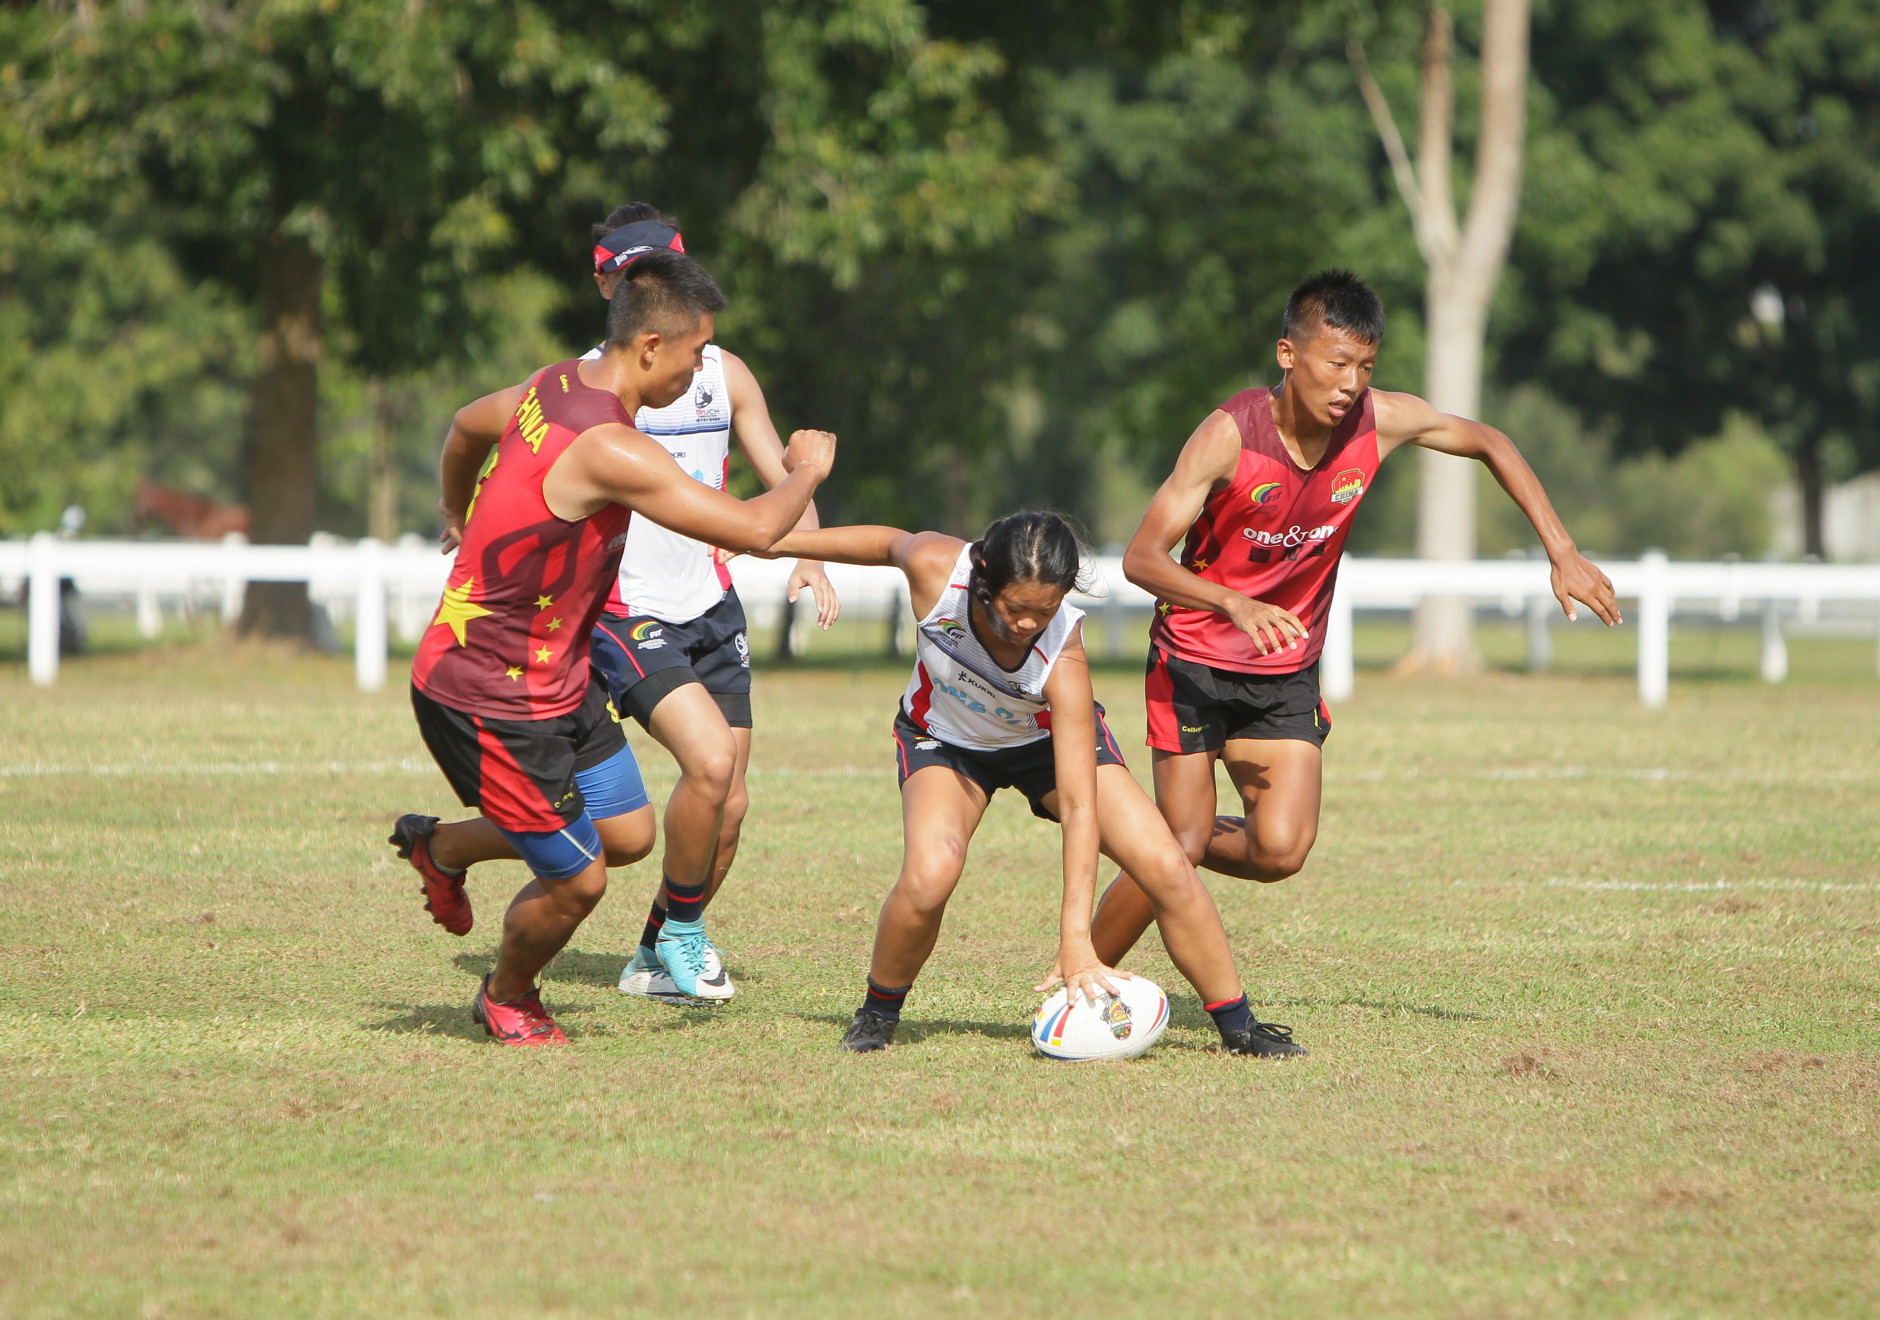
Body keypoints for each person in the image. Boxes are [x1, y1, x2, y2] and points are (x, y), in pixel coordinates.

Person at [1087, 269, 1620, 966]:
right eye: (1337, 363)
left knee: (1281, 851)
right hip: (1193, 659)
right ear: (1288, 355)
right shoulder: (1228, 436)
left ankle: (1140, 838)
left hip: (1285, 671)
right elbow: (1142, 558)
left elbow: (1489, 440)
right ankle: (1081, 977)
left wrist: (1563, 550)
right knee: (1181, 846)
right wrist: (1231, 601)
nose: (1350, 383)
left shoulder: (1378, 422)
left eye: (1365, 367)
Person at [390, 251, 836, 1046]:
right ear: (651, 347)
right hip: (486, 690)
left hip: (555, 677)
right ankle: (508, 996)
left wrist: (458, 511)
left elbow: (464, 426)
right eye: (698, 351)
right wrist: (805, 470)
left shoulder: (555, 381)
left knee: (627, 835)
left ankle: (443, 845)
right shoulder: (612, 449)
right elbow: (758, 529)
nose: (705, 370)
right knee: (577, 878)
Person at [754, 511, 1306, 1057]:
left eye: (1043, 612)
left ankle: (1240, 1026)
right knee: (930, 873)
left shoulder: (1062, 652)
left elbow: (1079, 806)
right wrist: (772, 541)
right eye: (1015, 608)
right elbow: (884, 541)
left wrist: (1076, 938)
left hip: (1040, 748)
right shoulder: (938, 570)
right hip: (945, 740)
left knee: (1166, 865)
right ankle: (878, 1012)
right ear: (985, 576)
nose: (1026, 624)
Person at [579, 205, 838, 1008]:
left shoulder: (722, 372)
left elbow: (780, 472)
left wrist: (811, 558)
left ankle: (657, 951)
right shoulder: (589, 386)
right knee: (710, 767)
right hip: (628, 607)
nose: (650, 286)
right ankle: (683, 933)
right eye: (633, 275)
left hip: (711, 606)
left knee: (731, 803)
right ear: (605, 284)